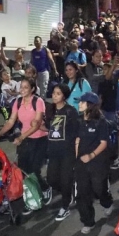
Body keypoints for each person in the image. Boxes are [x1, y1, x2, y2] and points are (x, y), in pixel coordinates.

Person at [0, 78, 52, 214]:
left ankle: (45, 187)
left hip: (39, 140)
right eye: (21, 87)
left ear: (32, 89)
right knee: (23, 170)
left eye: (25, 87)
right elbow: (11, 121)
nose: (22, 90)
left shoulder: (38, 102)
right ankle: (31, 198)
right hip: (25, 140)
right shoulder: (17, 102)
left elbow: (36, 124)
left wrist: (21, 137)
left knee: (34, 169)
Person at [74, 92, 113, 234]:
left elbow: (103, 143)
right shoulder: (78, 120)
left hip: (98, 161)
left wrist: (91, 155)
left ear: (90, 105)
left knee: (99, 188)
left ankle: (106, 201)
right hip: (81, 163)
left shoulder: (100, 121)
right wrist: (76, 158)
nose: (79, 104)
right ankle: (88, 221)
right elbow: (76, 140)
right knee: (82, 193)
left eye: (82, 102)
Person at [44, 84, 79, 221]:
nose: (54, 96)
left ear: (64, 96)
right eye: (53, 93)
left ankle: (65, 206)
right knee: (51, 179)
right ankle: (68, 190)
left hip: (67, 151)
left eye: (58, 93)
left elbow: (77, 133)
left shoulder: (70, 111)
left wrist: (76, 153)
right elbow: (48, 127)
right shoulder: (50, 110)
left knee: (65, 179)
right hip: (53, 151)